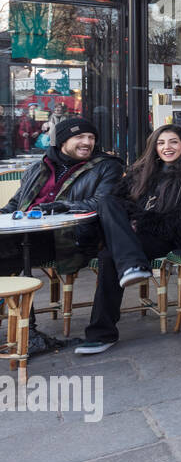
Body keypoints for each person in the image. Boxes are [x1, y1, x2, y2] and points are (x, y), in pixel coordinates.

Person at [0, 117, 155, 343]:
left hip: (72, 239)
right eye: (80, 137)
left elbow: (102, 203)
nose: (87, 142)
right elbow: (15, 205)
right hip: (26, 236)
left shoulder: (106, 166)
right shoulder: (38, 167)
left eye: (91, 138)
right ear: (62, 141)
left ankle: (26, 330)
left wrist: (63, 206)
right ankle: (22, 326)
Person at [76, 126, 181, 356]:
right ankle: (132, 264)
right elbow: (115, 202)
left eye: (173, 142)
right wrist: (131, 219)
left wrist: (141, 221)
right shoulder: (139, 172)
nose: (167, 147)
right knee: (106, 202)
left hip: (165, 236)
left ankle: (101, 334)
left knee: (108, 257)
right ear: (154, 147)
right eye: (161, 143)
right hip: (131, 236)